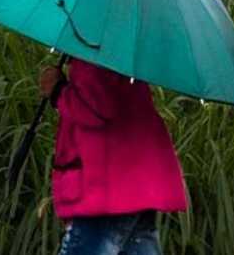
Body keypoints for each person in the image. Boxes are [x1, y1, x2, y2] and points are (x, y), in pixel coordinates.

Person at [40, 59, 188, 255]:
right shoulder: (124, 56)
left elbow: (95, 108)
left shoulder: (95, 50)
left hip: (105, 191)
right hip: (135, 188)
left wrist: (58, 91)